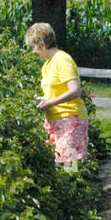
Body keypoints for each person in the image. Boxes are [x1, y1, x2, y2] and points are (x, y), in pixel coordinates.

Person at [25, 22, 89, 169]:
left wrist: (51, 103)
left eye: (34, 46)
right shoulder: (47, 65)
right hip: (55, 120)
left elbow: (75, 90)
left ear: (42, 44)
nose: (33, 51)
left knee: (69, 166)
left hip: (70, 120)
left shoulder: (63, 60)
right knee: (58, 164)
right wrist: (46, 100)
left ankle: (74, 190)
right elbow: (56, 91)